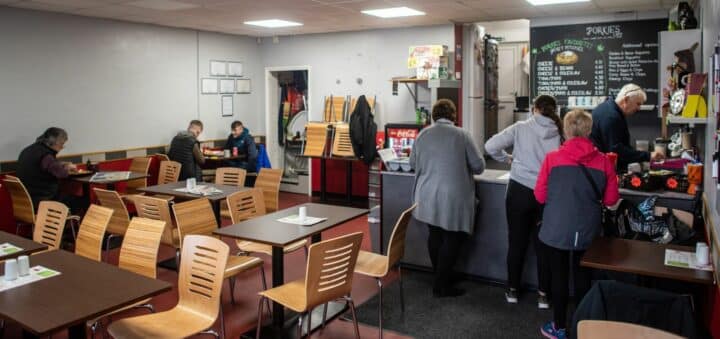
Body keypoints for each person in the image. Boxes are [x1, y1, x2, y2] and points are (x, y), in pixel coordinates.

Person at [535, 109, 620, 339]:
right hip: (587, 231)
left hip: (556, 229)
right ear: (589, 131)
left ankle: (560, 327)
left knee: (559, 279)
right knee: (584, 280)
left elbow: (540, 196)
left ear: (565, 130)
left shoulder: (552, 159)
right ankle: (583, 328)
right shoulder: (604, 161)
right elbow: (612, 200)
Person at [485, 95, 561, 308]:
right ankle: (544, 295)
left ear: (534, 108)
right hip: (547, 192)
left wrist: (508, 159)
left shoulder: (521, 127)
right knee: (544, 245)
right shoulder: (560, 131)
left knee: (516, 242)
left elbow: (490, 146)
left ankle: (512, 290)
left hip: (519, 191)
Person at [409, 99, 485, 298]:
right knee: (453, 237)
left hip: (426, 194)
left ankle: (441, 277)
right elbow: (479, 166)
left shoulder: (423, 134)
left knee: (435, 235)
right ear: (453, 115)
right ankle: (442, 285)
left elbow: (412, 163)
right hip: (453, 196)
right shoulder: (462, 135)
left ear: (434, 115)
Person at [590, 83, 664, 172]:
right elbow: (616, 151)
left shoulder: (609, 109)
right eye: (638, 104)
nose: (639, 108)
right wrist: (648, 156)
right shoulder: (611, 116)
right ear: (626, 99)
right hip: (601, 170)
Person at [16, 127, 80, 209]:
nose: (62, 147)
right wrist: (67, 167)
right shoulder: (46, 155)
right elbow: (62, 174)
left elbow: (40, 167)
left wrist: (61, 164)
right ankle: (62, 221)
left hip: (26, 202)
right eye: (62, 144)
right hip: (44, 200)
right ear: (56, 142)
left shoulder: (27, 150)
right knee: (82, 201)